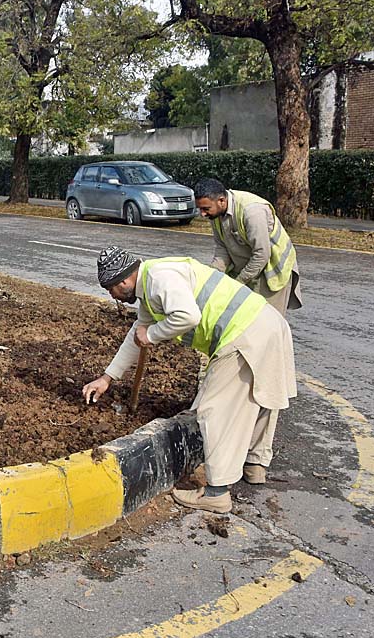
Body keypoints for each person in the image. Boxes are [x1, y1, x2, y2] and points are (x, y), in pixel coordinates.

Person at [82, 246, 296, 514]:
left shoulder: (160, 279)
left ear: (123, 281)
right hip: (265, 323)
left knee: (212, 410)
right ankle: (255, 465)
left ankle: (216, 493)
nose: (112, 296)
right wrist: (107, 378)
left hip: (242, 332)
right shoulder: (151, 286)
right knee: (260, 397)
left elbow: (187, 316)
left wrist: (155, 334)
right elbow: (137, 336)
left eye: (110, 289)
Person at [193, 178, 301, 316]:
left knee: (266, 321)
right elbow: (222, 247)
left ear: (221, 200)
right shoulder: (216, 214)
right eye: (200, 209)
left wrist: (238, 283)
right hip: (248, 268)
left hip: (271, 270)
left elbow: (262, 254)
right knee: (241, 319)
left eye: (205, 209)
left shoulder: (252, 211)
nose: (202, 214)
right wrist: (212, 277)